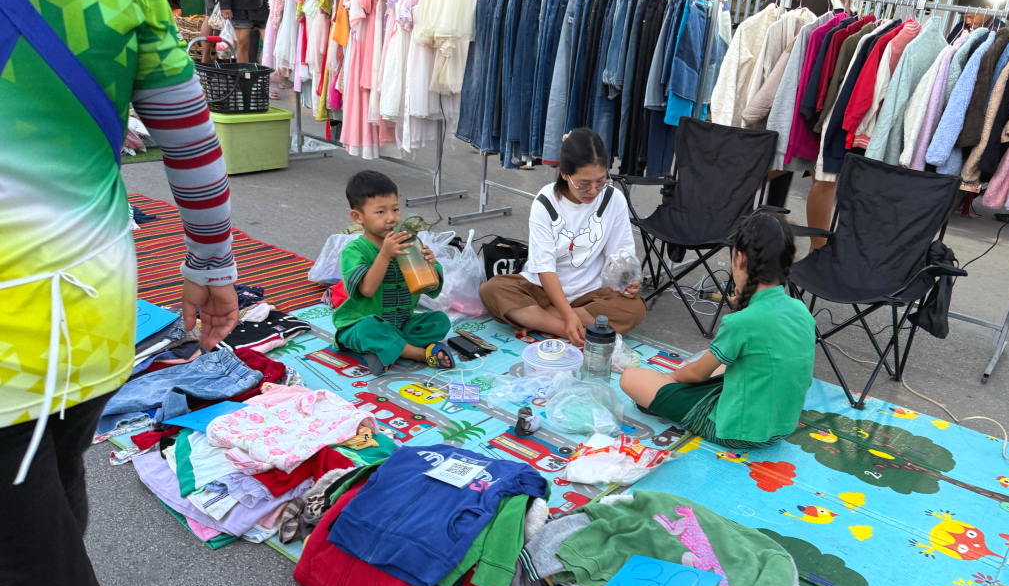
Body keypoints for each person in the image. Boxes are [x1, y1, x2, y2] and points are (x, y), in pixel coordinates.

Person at [1, 0, 240, 586]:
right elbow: (190, 135)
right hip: (95, 298)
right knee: (52, 481)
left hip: (12, 324)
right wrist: (212, 263)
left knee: (29, 560)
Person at [621, 211, 816, 449]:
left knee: (632, 377)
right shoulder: (800, 309)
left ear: (741, 259)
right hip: (782, 427)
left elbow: (697, 374)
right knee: (725, 362)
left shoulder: (742, 321)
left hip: (735, 430)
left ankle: (668, 396)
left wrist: (669, 379)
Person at [478, 128, 646, 347]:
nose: (593, 190)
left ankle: (540, 319)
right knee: (492, 290)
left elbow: (620, 252)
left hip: (587, 294)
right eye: (584, 183)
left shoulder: (613, 199)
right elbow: (544, 268)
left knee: (634, 309)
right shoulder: (546, 202)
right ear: (565, 174)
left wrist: (628, 281)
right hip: (541, 289)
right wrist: (567, 317)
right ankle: (572, 329)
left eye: (601, 181)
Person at [333, 171, 455, 375]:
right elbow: (367, 290)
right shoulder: (354, 251)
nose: (391, 218)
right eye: (380, 212)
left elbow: (430, 288)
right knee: (370, 329)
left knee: (439, 321)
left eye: (395, 209)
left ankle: (387, 350)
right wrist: (385, 255)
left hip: (401, 322)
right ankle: (419, 354)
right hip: (360, 324)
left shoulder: (408, 244)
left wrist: (430, 264)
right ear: (358, 217)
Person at [805, 0, 868, 233]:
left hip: (822, 103)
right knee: (824, 175)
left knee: (823, 175)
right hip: (807, 101)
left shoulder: (847, 5)